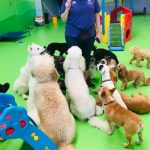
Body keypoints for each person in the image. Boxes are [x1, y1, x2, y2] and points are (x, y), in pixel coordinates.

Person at [61, 0, 101, 87]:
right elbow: (63, 19)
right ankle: (73, 82)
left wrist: (99, 32)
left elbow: (96, 15)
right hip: (73, 34)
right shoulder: (68, 0)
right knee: (75, 59)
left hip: (89, 34)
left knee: (86, 58)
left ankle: (85, 80)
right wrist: (67, 9)